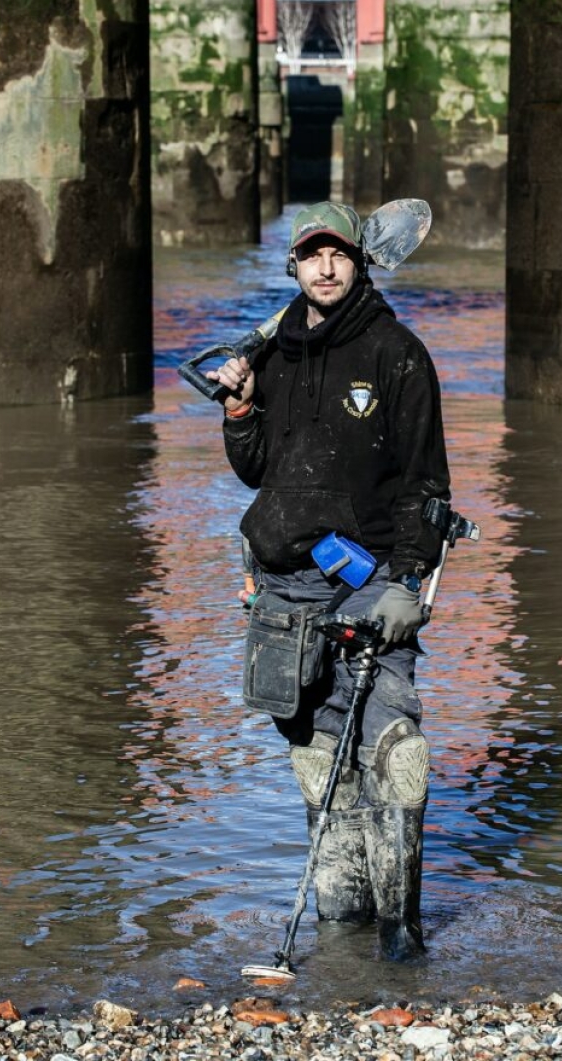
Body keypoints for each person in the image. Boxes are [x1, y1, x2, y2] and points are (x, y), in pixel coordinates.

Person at [208, 201, 451, 961]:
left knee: (397, 752)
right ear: (293, 265)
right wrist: (240, 408)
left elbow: (425, 485)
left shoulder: (397, 354)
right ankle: (340, 939)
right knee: (316, 759)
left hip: (367, 581)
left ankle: (401, 943)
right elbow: (255, 470)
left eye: (338, 254)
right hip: (281, 588)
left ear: (360, 261)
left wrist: (406, 581)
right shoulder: (273, 352)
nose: (324, 266)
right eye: (311, 254)